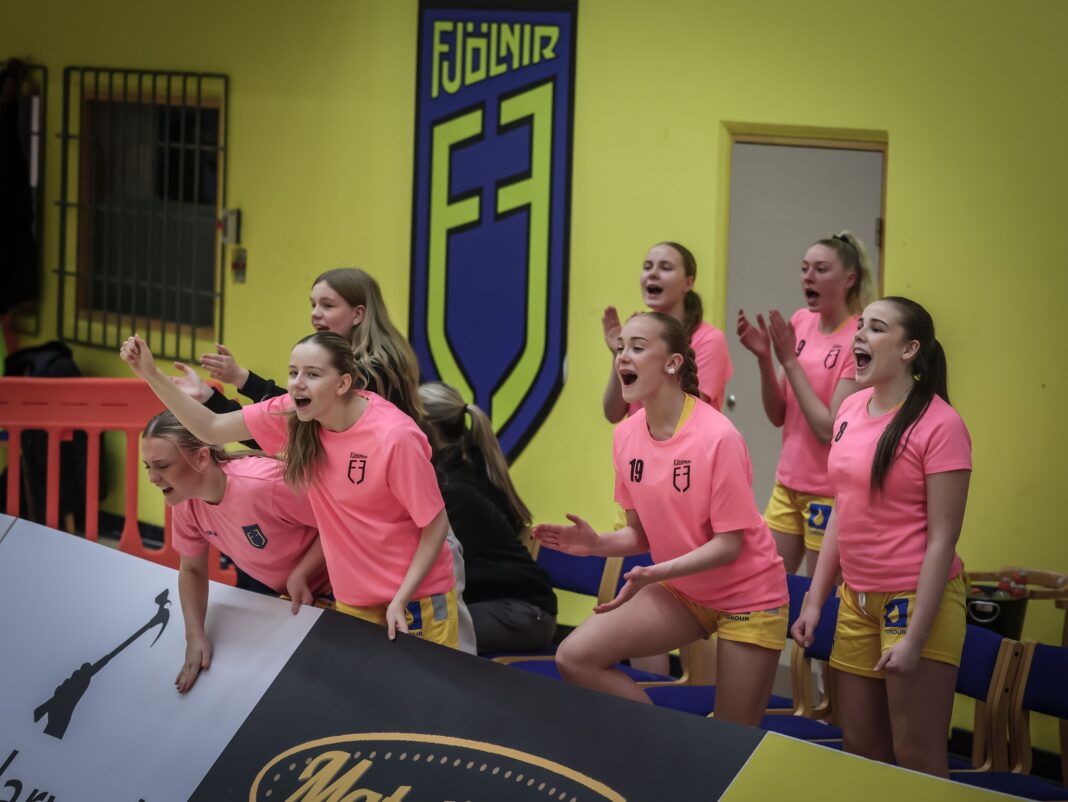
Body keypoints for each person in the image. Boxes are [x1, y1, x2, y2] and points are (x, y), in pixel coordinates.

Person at [121, 331, 459, 648]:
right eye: (293, 372)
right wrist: (151, 374)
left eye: (312, 374)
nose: (297, 383)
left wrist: (402, 597)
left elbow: (435, 525)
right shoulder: (294, 417)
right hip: (354, 598)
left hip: (416, 597)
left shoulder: (394, 436)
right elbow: (211, 427)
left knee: (423, 694)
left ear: (343, 383)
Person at [535, 313, 787, 725]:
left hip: (748, 598)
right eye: (620, 348)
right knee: (574, 656)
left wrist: (656, 573)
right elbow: (639, 534)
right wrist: (595, 544)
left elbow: (730, 545)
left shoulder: (718, 437)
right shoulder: (626, 435)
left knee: (730, 738)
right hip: (684, 590)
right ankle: (667, 743)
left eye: (637, 347)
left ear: (672, 363)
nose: (623, 357)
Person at [792, 297, 971, 777]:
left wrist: (915, 638)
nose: (859, 336)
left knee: (916, 756)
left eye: (875, 328)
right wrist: (815, 601)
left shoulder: (941, 424)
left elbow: (942, 540)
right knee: (861, 750)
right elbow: (842, 510)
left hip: (915, 601)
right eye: (860, 327)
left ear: (910, 349)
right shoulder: (851, 407)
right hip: (857, 600)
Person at [141, 411, 330, 693]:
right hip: (292, 599)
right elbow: (192, 570)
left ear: (202, 458)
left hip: (343, 589)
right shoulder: (185, 502)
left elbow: (341, 522)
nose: (152, 478)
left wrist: (302, 572)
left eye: (163, 466)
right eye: (147, 467)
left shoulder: (263, 486)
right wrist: (194, 635)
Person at [737, 231, 875, 573]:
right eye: (804, 268)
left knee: (819, 593)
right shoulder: (801, 321)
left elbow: (829, 429)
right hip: (787, 483)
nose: (808, 277)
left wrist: (789, 360)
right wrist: (765, 359)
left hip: (828, 493)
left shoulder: (858, 338)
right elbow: (778, 414)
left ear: (849, 279)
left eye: (821, 269)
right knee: (766, 581)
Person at [420, 381, 557, 653]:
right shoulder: (463, 468)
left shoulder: (457, 488)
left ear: (428, 427)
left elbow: (437, 565)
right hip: (496, 603)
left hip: (524, 613)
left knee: (427, 629)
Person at [602, 242, 731, 421]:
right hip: (641, 438)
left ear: (688, 282)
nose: (652, 273)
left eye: (665, 267)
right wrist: (619, 353)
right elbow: (612, 414)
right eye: (647, 267)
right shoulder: (636, 335)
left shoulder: (709, 339)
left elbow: (686, 414)